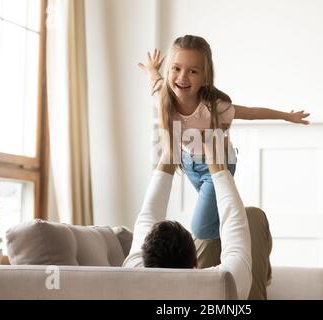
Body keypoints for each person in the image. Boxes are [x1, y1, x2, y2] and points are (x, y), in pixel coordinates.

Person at [138, 35, 310, 242]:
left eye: (193, 71)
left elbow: (252, 113)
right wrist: (151, 68)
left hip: (220, 164)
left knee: (201, 229)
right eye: (176, 68)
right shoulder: (163, 97)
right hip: (189, 164)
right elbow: (154, 78)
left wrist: (286, 116)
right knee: (213, 215)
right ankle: (231, 227)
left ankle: (248, 220)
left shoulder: (213, 106)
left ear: (205, 77)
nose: (182, 77)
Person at [123, 140, 271, 300]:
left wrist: (171, 149)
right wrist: (217, 163)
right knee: (253, 217)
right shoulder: (226, 283)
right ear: (196, 263)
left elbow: (148, 215)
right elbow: (235, 224)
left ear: (145, 259)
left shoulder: (133, 276)